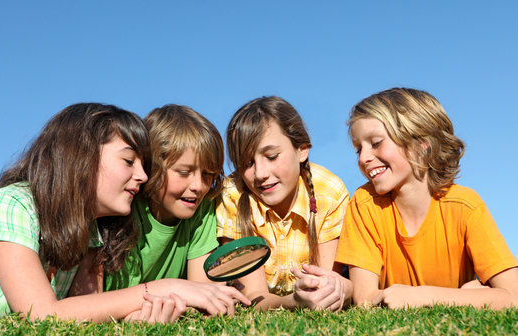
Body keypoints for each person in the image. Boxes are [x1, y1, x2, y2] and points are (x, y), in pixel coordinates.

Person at [0, 103, 186, 323]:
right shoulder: (13, 204)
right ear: (81, 155)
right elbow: (40, 314)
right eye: (128, 161)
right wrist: (166, 287)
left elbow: (88, 312)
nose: (143, 176)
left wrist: (137, 319)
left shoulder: (91, 230)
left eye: (143, 166)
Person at [336, 87, 518, 309]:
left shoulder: (465, 206)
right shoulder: (364, 204)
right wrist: (471, 297)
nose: (364, 158)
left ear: (422, 144)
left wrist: (422, 296)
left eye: (376, 143)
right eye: (358, 149)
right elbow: (365, 299)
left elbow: (513, 296)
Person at [103, 105, 250, 316]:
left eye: (208, 174)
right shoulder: (126, 208)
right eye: (183, 172)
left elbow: (202, 291)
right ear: (151, 168)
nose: (198, 186)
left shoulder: (202, 207)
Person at [217, 96, 352, 310]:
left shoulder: (328, 192)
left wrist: (324, 291)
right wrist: (294, 302)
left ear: (302, 150)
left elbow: (327, 282)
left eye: (271, 156)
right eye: (247, 163)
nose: (260, 174)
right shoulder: (233, 195)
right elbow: (253, 295)